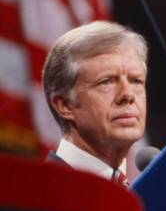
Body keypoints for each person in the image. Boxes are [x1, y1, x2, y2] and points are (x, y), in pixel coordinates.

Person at [42, 21, 148, 187]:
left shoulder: (144, 198)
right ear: (64, 105)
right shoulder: (43, 195)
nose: (128, 94)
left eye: (136, 81)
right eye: (106, 82)